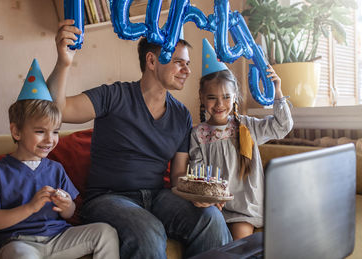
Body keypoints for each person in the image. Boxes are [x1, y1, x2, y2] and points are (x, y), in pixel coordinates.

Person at [46, 20, 231, 259]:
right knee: (148, 230)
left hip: (157, 197)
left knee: (211, 219)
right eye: (178, 63)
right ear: (152, 61)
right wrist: (64, 62)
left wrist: (199, 196)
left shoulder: (181, 114)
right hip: (108, 198)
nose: (187, 71)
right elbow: (57, 110)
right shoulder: (114, 96)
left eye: (187, 64)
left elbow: (177, 177)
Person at [0, 59, 119, 259]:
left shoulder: (56, 169)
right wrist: (30, 207)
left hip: (59, 238)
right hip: (18, 242)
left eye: (56, 132)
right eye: (40, 131)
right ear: (16, 131)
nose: (50, 140)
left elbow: (70, 212)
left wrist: (67, 206)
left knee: (105, 233)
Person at [189, 39, 293, 240]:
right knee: (229, 246)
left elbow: (282, 127)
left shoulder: (248, 126)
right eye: (212, 97)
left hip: (252, 207)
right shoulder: (198, 134)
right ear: (202, 97)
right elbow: (197, 173)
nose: (220, 104)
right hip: (223, 209)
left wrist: (277, 91)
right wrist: (210, 198)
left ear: (235, 96)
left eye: (226, 97)